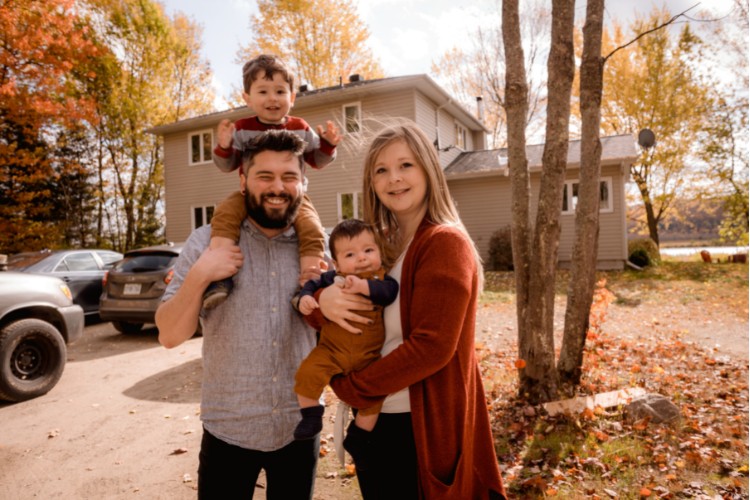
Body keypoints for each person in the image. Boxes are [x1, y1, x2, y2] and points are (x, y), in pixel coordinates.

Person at [309, 121, 507, 499]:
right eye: (381, 170)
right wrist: (322, 302)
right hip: (377, 423)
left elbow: (431, 347)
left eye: (406, 166)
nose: (393, 179)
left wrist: (350, 388)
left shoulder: (444, 243)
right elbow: (337, 313)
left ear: (428, 170)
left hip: (416, 428)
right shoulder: (376, 248)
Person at [155, 130, 322, 499]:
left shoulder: (318, 250)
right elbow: (169, 335)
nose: (277, 187)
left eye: (289, 177)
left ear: (302, 183)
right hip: (228, 430)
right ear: (244, 180)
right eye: (265, 176)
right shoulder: (207, 242)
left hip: (299, 429)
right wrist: (202, 273)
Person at [203, 53, 341, 309]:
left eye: (280, 91)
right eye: (263, 91)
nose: (272, 99)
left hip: (295, 200)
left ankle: (310, 284)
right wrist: (224, 146)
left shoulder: (300, 127)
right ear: (247, 98)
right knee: (224, 216)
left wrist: (329, 145)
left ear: (292, 97)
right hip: (250, 196)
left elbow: (316, 160)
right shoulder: (242, 129)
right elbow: (228, 165)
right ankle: (219, 277)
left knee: (312, 229)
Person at [291, 218, 398, 444]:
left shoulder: (381, 279)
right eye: (350, 255)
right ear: (337, 264)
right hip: (331, 350)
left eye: (368, 250)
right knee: (307, 373)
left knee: (374, 399)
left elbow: (389, 292)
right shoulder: (333, 278)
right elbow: (312, 283)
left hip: (368, 357)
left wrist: (363, 286)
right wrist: (306, 298)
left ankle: (359, 435)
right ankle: (311, 415)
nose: (361, 258)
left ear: (379, 251)